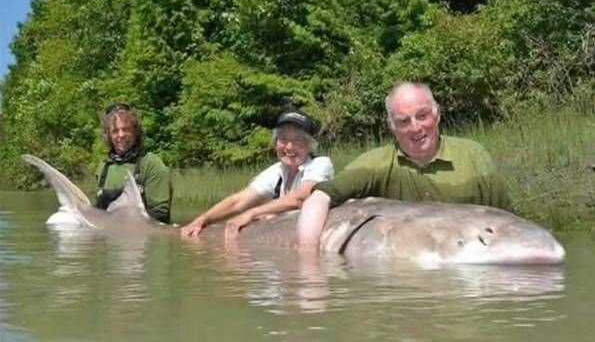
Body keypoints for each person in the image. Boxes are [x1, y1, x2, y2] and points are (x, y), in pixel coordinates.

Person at [297, 81, 512, 250]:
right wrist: (308, 263)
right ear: (392, 126)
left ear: (436, 115)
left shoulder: (472, 155)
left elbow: (508, 219)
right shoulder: (376, 163)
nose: (415, 127)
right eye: (404, 121)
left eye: (422, 116)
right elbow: (319, 197)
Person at [181, 110, 334, 238]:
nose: (289, 147)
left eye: (298, 140)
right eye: (283, 139)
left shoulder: (320, 164)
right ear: (275, 144)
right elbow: (238, 201)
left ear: (310, 145)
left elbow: (300, 198)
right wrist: (202, 220)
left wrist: (252, 213)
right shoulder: (277, 170)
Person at [96, 103, 172, 223]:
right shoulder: (104, 166)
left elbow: (160, 215)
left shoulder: (152, 164)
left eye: (126, 129)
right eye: (115, 131)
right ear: (108, 135)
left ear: (136, 131)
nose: (120, 135)